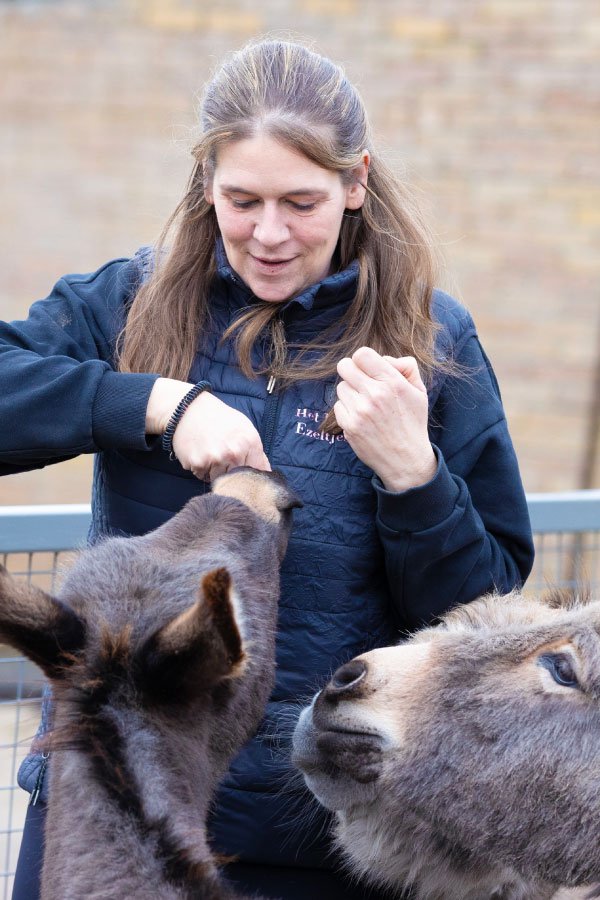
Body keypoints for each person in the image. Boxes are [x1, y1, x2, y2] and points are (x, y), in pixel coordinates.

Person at [2, 39, 534, 900]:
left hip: (318, 837)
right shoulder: (126, 301)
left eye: (301, 202)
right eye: (242, 200)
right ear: (206, 181)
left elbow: (483, 614)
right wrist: (153, 405)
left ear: (356, 183)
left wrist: (416, 479)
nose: (270, 233)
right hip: (109, 802)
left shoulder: (437, 342)